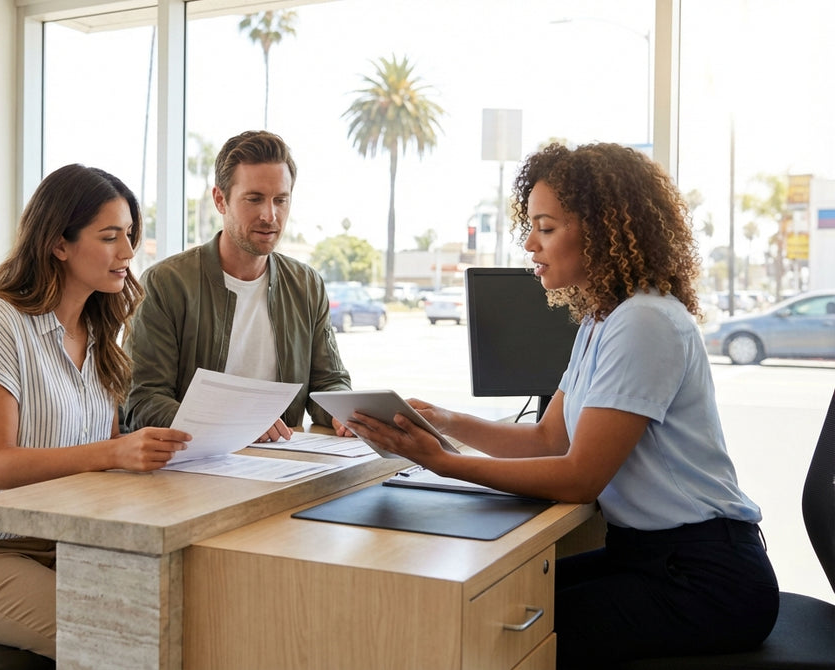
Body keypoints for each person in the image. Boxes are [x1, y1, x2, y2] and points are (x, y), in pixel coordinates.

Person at [348, 142, 779, 668]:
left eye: (546, 228)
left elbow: (579, 478)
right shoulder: (602, 319)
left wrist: (443, 463)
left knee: (487, 630)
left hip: (706, 580)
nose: (530, 244)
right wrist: (444, 422)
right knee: (479, 602)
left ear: (600, 230)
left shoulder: (644, 321)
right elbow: (549, 439)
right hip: (652, 560)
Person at [0, 164, 191, 660]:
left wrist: (155, 453)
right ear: (59, 244)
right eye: (109, 237)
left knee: (187, 614)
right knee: (118, 644)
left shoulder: (99, 336)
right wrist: (115, 452)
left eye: (129, 234)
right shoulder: (1, 322)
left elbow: (103, 460)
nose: (128, 252)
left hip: (64, 543)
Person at [123, 129, 353, 441]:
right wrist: (233, 423)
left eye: (280, 200)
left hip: (283, 457)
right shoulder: (165, 284)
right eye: (254, 199)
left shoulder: (306, 284)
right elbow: (142, 401)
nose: (270, 215)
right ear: (220, 200)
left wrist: (345, 413)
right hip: (195, 460)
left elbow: (329, 382)